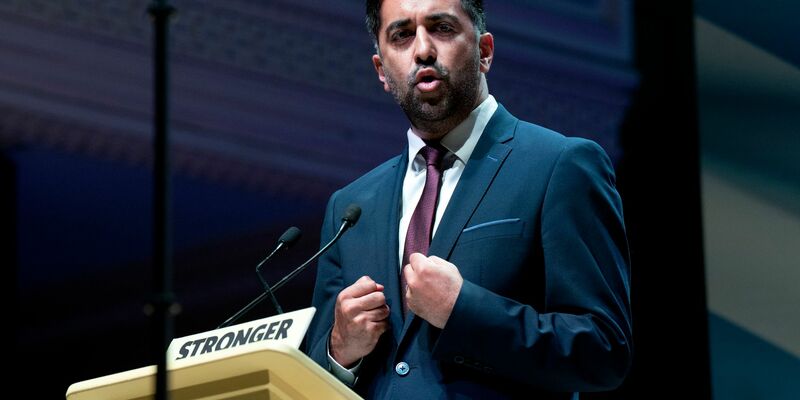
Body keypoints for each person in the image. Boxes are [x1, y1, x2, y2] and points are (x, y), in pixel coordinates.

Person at [304, 0, 632, 398]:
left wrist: (463, 311)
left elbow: (603, 351)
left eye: (441, 28)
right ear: (382, 71)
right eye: (402, 35)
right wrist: (340, 352)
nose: (423, 49)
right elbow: (312, 382)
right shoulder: (351, 206)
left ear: (485, 52)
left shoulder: (559, 165)